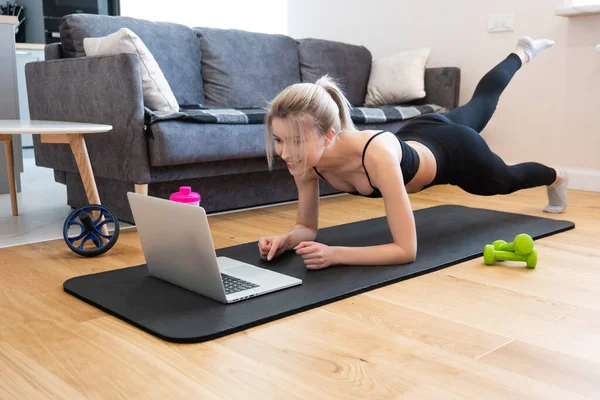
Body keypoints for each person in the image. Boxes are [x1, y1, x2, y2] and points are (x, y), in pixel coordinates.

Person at [258, 36, 566, 270]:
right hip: (421, 131)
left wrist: (335, 254)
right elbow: (306, 227)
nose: (285, 153)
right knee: (481, 103)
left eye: (295, 141)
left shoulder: (375, 156)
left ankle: (556, 176)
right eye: (279, 140)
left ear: (327, 136)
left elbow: (406, 250)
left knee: (505, 178)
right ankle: (523, 51)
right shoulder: (303, 161)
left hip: (458, 153)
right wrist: (286, 241)